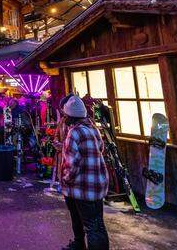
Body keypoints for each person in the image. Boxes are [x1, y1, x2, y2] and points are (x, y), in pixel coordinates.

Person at [59, 95, 109, 250]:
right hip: (97, 182)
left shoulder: (74, 133)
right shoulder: (92, 128)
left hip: (81, 186)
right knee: (95, 222)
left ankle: (81, 244)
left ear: (70, 115)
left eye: (65, 115)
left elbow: (71, 164)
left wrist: (66, 179)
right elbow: (100, 148)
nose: (63, 118)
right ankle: (78, 244)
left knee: (90, 225)